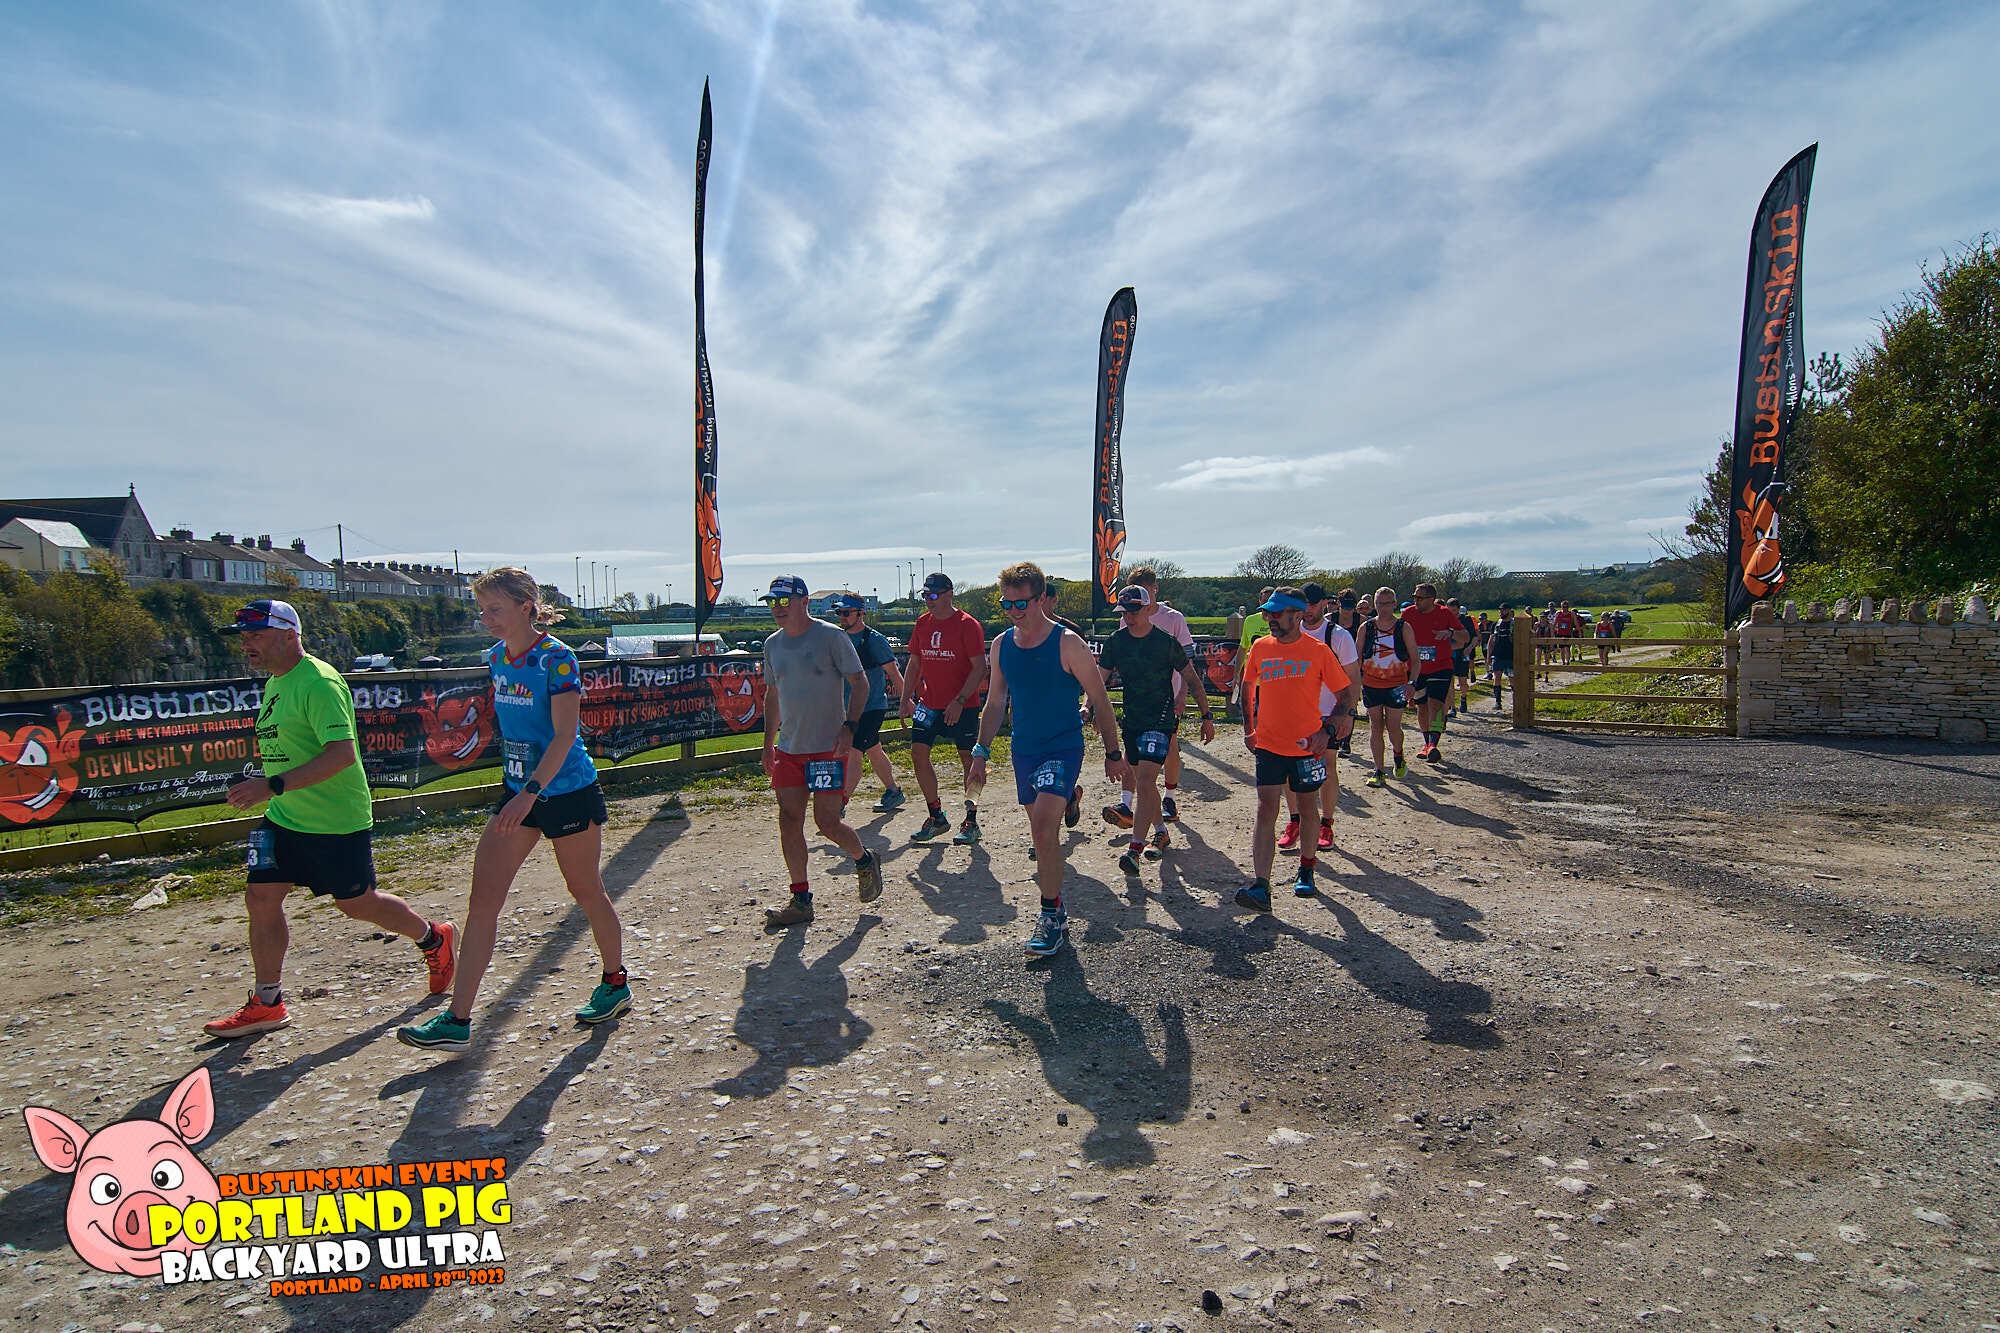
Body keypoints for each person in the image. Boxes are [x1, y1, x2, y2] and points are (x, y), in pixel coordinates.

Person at [204, 599, 456, 1038]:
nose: (247, 643)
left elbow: (341, 755)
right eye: (243, 636)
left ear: (288, 634)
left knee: (357, 904)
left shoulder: (318, 683)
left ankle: (433, 938)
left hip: (334, 819)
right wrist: (271, 786)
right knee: (261, 898)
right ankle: (267, 1002)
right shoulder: (277, 682)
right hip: (284, 816)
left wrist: (272, 784)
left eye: (255, 634)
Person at [398, 569, 627, 1050]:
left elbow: (566, 735)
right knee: (482, 903)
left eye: (495, 609)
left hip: (565, 790)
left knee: (586, 890)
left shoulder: (557, 658)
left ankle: (614, 981)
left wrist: (531, 792)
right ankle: (457, 1021)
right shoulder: (497, 657)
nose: (486, 619)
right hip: (519, 790)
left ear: (526, 606)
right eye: (482, 610)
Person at [968, 562, 1125, 957]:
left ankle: (1051, 914)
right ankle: (1068, 798)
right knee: (1044, 829)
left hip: (1062, 745)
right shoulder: (1002, 644)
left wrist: (1113, 752)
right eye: (1007, 603)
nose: (1014, 610)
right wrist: (980, 752)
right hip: (1025, 749)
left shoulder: (1068, 643)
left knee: (1041, 832)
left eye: (1021, 603)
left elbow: (1100, 700)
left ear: (1041, 599)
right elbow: (995, 702)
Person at [757, 576, 883, 929]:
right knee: (788, 818)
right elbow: (772, 695)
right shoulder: (772, 645)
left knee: (827, 823)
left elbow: (860, 682)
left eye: (784, 602)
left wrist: (851, 726)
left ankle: (862, 859)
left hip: (827, 749)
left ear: (804, 601)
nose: (778, 609)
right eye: (772, 603)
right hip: (791, 749)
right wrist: (768, 744)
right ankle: (800, 899)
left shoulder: (831, 637)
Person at [1235, 588, 1350, 910]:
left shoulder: (1318, 651)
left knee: (1307, 808)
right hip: (1269, 744)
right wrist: (1249, 729)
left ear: (1297, 615)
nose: (1270, 618)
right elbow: (1247, 687)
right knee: (1265, 808)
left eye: (1277, 613)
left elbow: (1345, 696)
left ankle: (1307, 868)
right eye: (1268, 613)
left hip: (1305, 747)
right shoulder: (1260, 647)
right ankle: (1261, 886)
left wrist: (1326, 731)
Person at [1097, 584, 1214, 875]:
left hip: (1160, 719)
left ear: (1149, 609)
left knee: (1147, 780)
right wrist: (1090, 708)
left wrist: (1206, 715)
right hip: (1133, 720)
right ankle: (1161, 831)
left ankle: (1134, 849)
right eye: (1124, 612)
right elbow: (1098, 683)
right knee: (1143, 783)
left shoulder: (1166, 642)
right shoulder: (1116, 642)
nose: (1130, 617)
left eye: (1135, 611)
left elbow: (1192, 677)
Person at [1104, 565, 1200, 827]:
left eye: (1145, 591)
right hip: (1138, 697)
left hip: (1167, 695)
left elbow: (1188, 662)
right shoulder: (1127, 618)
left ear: (1154, 590)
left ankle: (1169, 797)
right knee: (1133, 751)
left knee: (1169, 746)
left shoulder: (1173, 618)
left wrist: (1182, 694)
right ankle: (1126, 802)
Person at [899, 573, 988, 845]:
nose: (929, 601)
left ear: (949, 594)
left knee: (967, 760)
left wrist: (959, 701)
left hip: (963, 705)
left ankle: (971, 820)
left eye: (933, 595)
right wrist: (905, 698)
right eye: (925, 596)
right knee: (918, 753)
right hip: (930, 703)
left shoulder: (967, 625)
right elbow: (914, 663)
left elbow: (979, 668)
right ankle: (936, 816)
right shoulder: (922, 623)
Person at [829, 593, 907, 812]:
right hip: (849, 708)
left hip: (872, 707)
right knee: (873, 749)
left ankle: (839, 803)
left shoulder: (873, 639)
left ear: (861, 613)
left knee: (854, 753)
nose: (842, 617)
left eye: (846, 613)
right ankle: (893, 791)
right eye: (839, 613)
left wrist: (906, 701)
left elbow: (893, 673)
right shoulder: (839, 638)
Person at [1357, 587, 1421, 788]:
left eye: (1387, 603)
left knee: (1393, 727)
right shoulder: (1366, 628)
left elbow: (1416, 660)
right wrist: (1357, 682)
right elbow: (1356, 658)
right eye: (1379, 604)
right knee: (1375, 726)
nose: (1383, 608)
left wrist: (1412, 683)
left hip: (1397, 685)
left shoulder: (1404, 627)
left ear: (1394, 603)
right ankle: (1379, 770)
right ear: (1374, 605)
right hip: (1371, 684)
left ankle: (1398, 754)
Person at [1401, 583, 1469, 763]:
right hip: (1416, 668)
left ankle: (1433, 744)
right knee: (1421, 706)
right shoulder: (1408, 613)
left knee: (1435, 705)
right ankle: (1426, 744)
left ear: (1431, 599)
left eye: (1419, 598)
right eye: (1414, 597)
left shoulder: (1445, 613)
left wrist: (1450, 633)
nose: (1416, 601)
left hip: (1441, 667)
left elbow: (1464, 638)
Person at [1448, 597, 1480, 716]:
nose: (1452, 613)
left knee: (1462, 680)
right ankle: (1452, 707)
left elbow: (1474, 637)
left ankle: (1463, 697)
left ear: (1458, 609)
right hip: (1449, 654)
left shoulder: (1466, 620)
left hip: (1463, 653)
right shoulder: (1445, 620)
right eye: (1450, 610)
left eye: (1454, 611)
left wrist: (1469, 648)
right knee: (1449, 681)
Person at [1486, 604, 1516, 709]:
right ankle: (1498, 702)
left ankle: (1515, 700)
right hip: (1498, 655)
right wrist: (1488, 656)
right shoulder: (1496, 624)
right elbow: (1491, 640)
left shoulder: (1515, 624)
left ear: (1508, 610)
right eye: (1500, 610)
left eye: (1503, 610)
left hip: (1511, 656)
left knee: (1512, 678)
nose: (1501, 612)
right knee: (1497, 677)